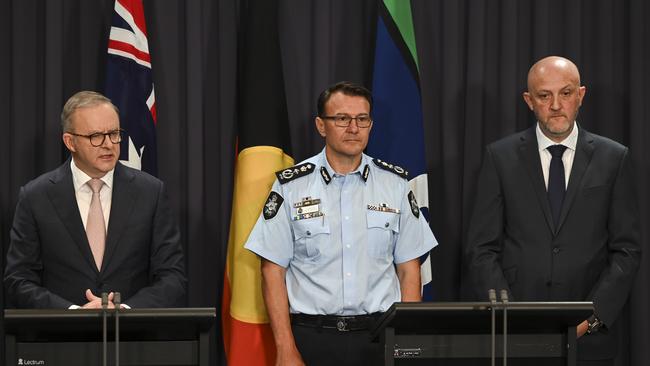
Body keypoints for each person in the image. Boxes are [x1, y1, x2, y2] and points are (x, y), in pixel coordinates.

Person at [244, 81, 437, 365]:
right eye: (342, 119)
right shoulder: (290, 186)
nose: (353, 128)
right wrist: (285, 347)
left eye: (362, 119)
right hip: (312, 338)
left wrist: (404, 342)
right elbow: (272, 271)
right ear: (321, 126)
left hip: (379, 336)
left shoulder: (395, 185)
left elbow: (409, 270)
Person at [466, 56, 641, 364]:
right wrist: (510, 315)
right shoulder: (500, 158)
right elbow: (482, 248)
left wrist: (593, 317)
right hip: (515, 337)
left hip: (590, 339)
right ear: (529, 100)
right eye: (545, 95)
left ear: (581, 95)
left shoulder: (614, 158)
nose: (556, 104)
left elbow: (626, 250)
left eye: (566, 92)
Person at [4, 91, 186, 309]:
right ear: (70, 142)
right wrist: (73, 313)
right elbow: (18, 280)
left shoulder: (151, 193)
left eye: (114, 134)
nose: (108, 144)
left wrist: (125, 311)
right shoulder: (36, 197)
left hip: (132, 337)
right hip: (60, 338)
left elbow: (172, 277)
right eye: (96, 136)